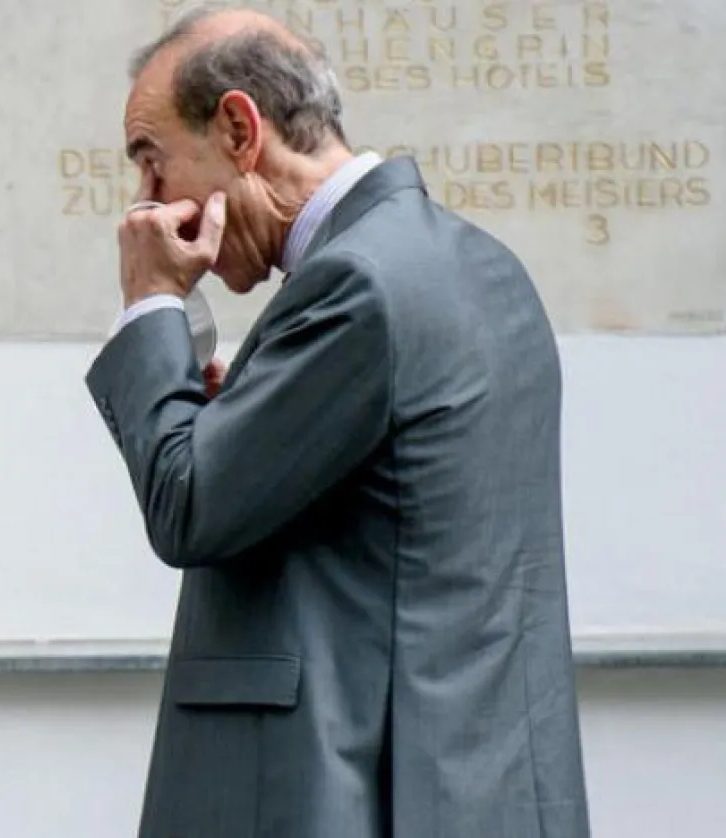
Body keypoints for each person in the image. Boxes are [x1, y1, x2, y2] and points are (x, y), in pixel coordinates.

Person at [86, 8, 590, 837]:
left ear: (239, 129)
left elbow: (188, 505)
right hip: (483, 787)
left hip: (356, 792)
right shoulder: (482, 263)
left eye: (153, 161)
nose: (145, 205)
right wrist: (239, 424)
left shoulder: (355, 282)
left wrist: (150, 305)